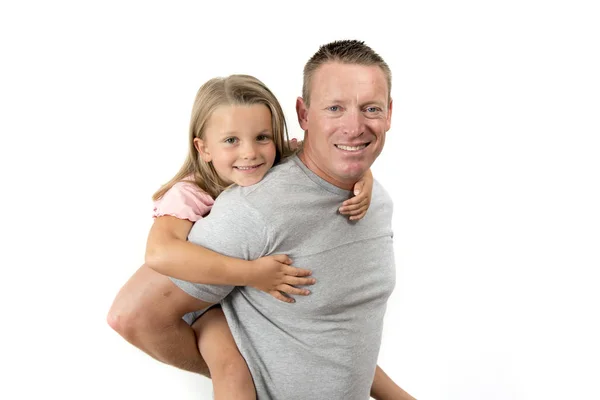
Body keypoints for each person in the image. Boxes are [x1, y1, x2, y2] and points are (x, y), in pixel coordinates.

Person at [108, 39, 415, 399]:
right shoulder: (251, 208)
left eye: (371, 109)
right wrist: (239, 370)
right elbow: (132, 315)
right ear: (304, 113)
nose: (354, 126)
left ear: (390, 113)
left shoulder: (373, 200)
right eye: (335, 107)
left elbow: (336, 341)